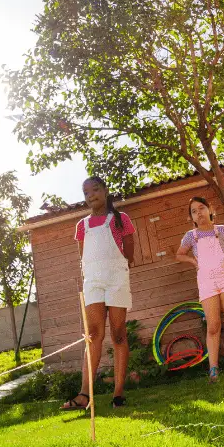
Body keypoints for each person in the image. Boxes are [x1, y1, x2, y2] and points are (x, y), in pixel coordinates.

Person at [62, 176, 136, 411]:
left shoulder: (120, 219)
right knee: (93, 334)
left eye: (95, 190)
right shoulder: (81, 226)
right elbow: (84, 257)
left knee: (118, 334)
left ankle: (118, 393)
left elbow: (129, 253)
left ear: (105, 191)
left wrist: (119, 270)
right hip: (93, 281)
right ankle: (85, 394)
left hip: (116, 279)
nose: (91, 195)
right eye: (86, 192)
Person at [174, 196, 224, 382]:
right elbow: (180, 255)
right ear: (192, 217)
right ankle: (213, 370)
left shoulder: (221, 231)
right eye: (194, 211)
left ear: (209, 209)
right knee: (213, 326)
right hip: (206, 281)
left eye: (201, 208)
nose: (199, 213)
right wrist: (192, 261)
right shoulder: (191, 236)